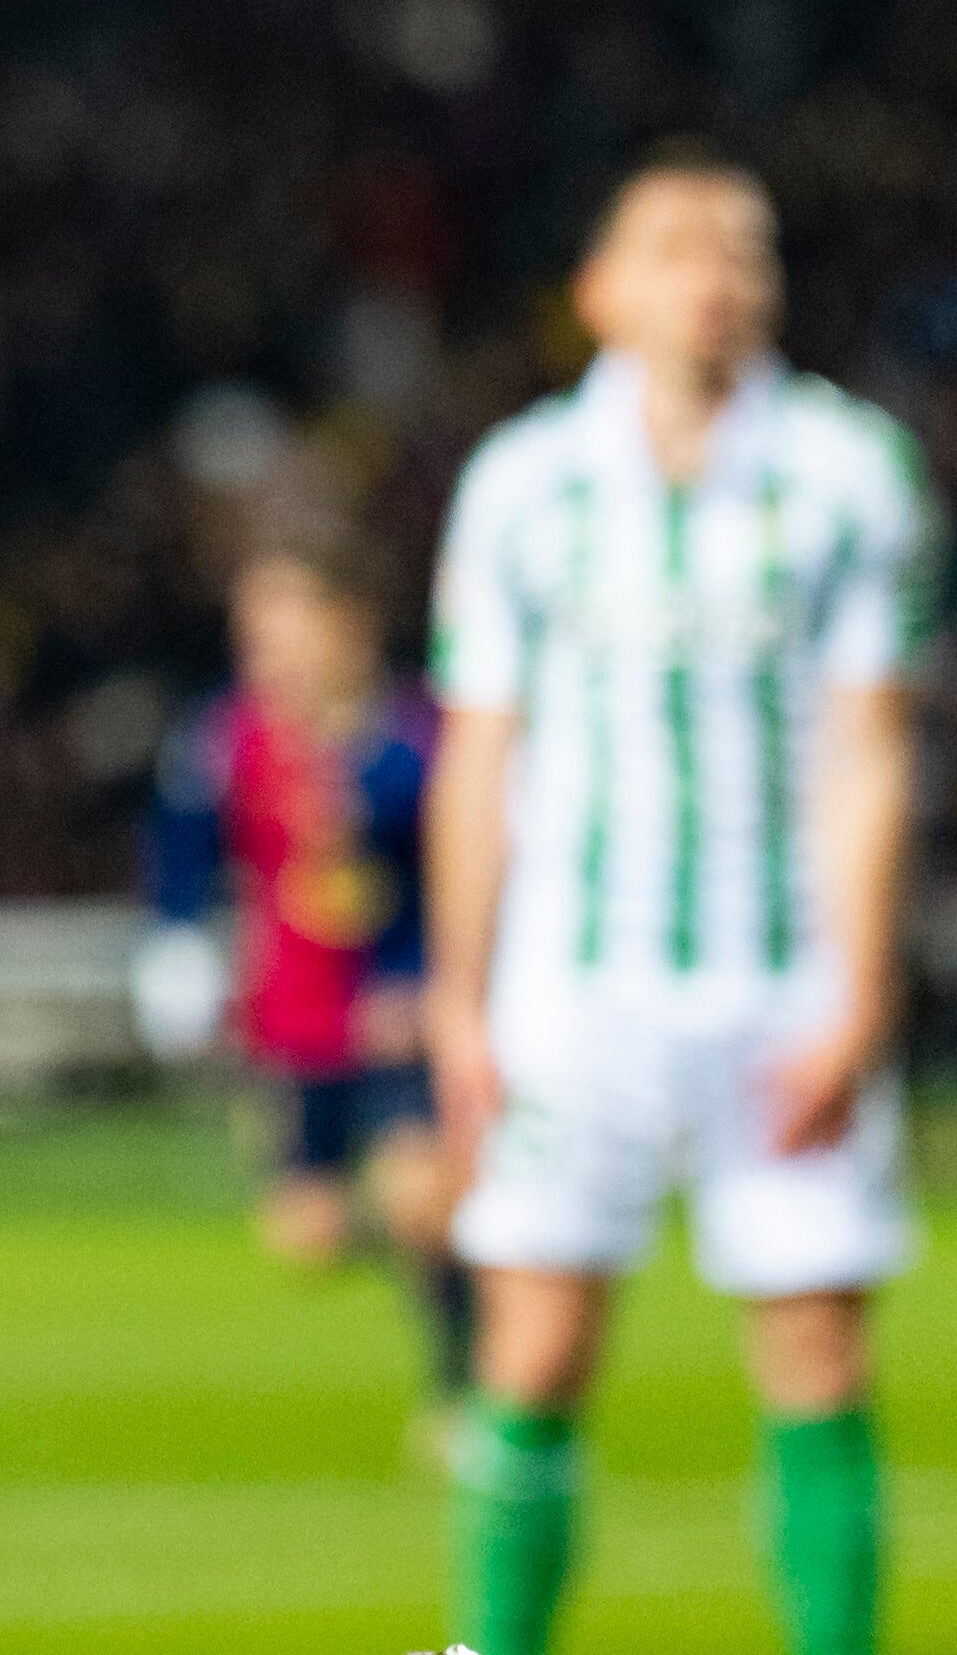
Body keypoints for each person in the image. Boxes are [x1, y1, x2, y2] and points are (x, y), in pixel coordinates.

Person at [424, 146, 930, 1655]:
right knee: (531, 1341)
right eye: (676, 246)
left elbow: (869, 746)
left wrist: (860, 993)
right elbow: (478, 752)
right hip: (572, 989)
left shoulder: (850, 471)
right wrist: (457, 1001)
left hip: (784, 980)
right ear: (599, 292)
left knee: (817, 1345)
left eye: (745, 249)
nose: (717, 275)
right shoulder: (521, 483)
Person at [142, 545, 468, 1427]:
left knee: (418, 1196)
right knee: (308, 1240)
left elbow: (468, 870)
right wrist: (177, 949)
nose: (268, 654)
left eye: (286, 628)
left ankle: (461, 1387)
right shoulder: (226, 739)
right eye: (253, 634)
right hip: (294, 1026)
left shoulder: (420, 736)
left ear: (347, 626)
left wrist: (438, 982)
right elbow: (180, 849)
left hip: (398, 1017)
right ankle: (463, 1256)